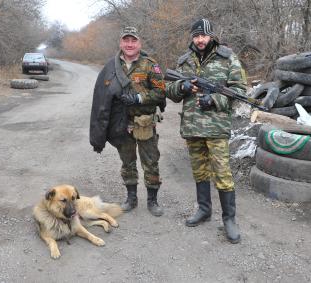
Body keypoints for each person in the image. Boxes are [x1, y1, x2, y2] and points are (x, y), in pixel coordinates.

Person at [165, 19, 247, 243]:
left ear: (211, 36)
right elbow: (170, 90)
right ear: (192, 37)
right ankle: (204, 209)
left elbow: (239, 91)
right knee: (200, 171)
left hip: (216, 128)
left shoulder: (228, 57)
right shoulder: (185, 60)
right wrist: (181, 87)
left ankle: (229, 219)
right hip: (192, 127)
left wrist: (215, 99)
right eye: (196, 36)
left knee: (223, 174)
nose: (200, 40)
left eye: (203, 35)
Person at [90, 26, 166, 217]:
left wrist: (138, 98)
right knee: (127, 163)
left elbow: (160, 92)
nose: (129, 44)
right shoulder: (111, 67)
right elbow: (102, 96)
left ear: (139, 43)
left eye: (133, 41)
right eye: (126, 40)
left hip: (145, 123)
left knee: (151, 162)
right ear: (121, 43)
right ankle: (131, 198)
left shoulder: (151, 65)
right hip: (121, 125)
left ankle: (152, 200)